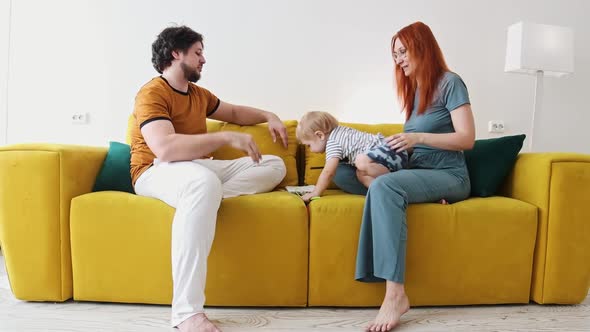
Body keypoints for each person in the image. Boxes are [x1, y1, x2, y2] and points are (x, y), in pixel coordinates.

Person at [130, 26, 288, 332]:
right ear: (176, 53)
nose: (204, 60)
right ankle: (187, 313)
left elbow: (235, 112)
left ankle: (204, 199)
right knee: (202, 183)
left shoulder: (198, 94)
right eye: (198, 52)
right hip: (156, 169)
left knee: (272, 164)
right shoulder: (152, 93)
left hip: (197, 168)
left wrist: (271, 115)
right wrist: (224, 138)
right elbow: (165, 147)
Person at [332, 22, 475, 332]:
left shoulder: (451, 83)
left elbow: (466, 139)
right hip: (415, 171)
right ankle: (389, 190)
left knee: (383, 185)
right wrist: (380, 155)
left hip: (448, 174)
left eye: (402, 52)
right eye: (394, 54)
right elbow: (410, 147)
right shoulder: (415, 91)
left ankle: (395, 294)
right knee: (344, 173)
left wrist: (417, 138)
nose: (397, 60)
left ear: (421, 47)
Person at [295, 111, 409, 202]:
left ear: (320, 135)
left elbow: (328, 172)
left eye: (309, 145)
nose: (310, 150)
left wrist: (316, 192)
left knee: (361, 165)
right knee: (361, 173)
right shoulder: (343, 131)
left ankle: (390, 186)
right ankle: (387, 189)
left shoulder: (333, 143)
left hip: (388, 153)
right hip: (395, 152)